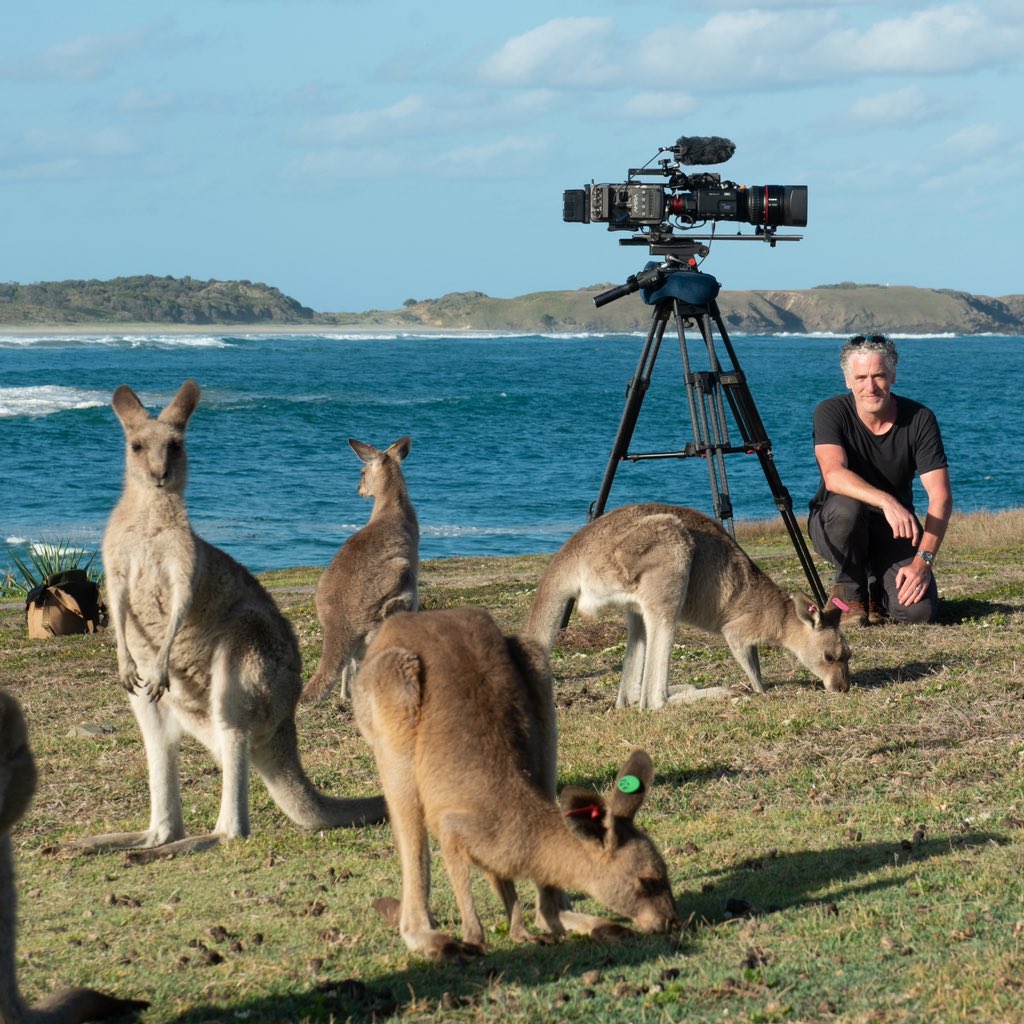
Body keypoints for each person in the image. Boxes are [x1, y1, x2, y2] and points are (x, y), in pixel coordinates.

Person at [808, 334, 953, 626]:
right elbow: (833, 475)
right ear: (847, 379)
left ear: (894, 375)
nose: (870, 387)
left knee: (918, 613)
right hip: (836, 523)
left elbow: (940, 498)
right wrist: (887, 501)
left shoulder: (920, 418)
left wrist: (922, 562)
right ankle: (851, 591)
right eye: (860, 377)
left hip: (895, 531)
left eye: (879, 376)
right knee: (849, 507)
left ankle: (877, 590)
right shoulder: (830, 412)